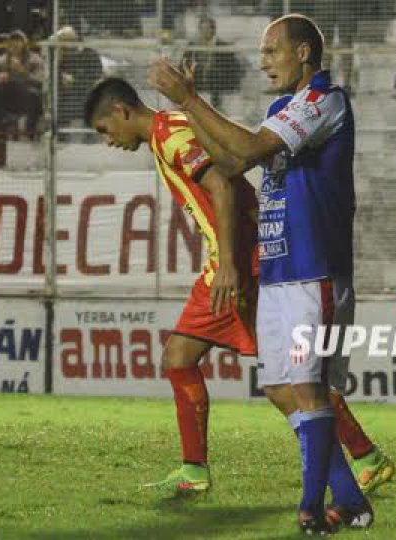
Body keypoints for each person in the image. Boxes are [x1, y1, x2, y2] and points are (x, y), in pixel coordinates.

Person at [147, 13, 394, 533]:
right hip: (280, 271)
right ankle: (350, 497)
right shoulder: (283, 107)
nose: (263, 62)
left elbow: (253, 149)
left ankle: (312, 506)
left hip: (314, 268)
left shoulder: (324, 101)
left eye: (272, 52)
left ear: (303, 53)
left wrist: (190, 103)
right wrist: (188, 108)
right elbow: (234, 163)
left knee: (307, 388)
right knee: (283, 389)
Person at [82, 78, 259, 494]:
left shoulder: (168, 133)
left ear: (123, 112)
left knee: (288, 380)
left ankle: (363, 455)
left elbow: (220, 185)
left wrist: (231, 266)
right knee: (178, 358)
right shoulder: (169, 128)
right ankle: (194, 471)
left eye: (105, 130)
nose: (109, 141)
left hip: (238, 264)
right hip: (228, 262)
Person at [0, 29, 44, 139]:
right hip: (9, 97)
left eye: (18, 40)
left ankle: (29, 131)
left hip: (26, 96)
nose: (15, 43)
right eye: (12, 41)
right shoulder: (1, 60)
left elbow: (40, 81)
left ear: (24, 43)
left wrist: (23, 71)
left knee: (34, 94)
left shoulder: (35, 59)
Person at [181, 16, 243, 111]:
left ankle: (216, 108)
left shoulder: (224, 46)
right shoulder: (192, 46)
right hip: (198, 78)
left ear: (213, 30)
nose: (204, 31)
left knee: (214, 75)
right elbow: (183, 63)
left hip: (217, 81)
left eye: (207, 28)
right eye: (202, 28)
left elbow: (231, 69)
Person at [55, 26, 104, 134]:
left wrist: (75, 80)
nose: (65, 45)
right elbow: (54, 77)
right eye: (62, 43)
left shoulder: (90, 54)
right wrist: (59, 59)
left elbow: (96, 76)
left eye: (67, 41)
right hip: (66, 95)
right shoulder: (59, 56)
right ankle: (60, 136)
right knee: (58, 102)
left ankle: (89, 136)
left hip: (86, 91)